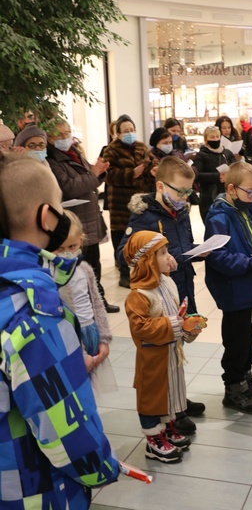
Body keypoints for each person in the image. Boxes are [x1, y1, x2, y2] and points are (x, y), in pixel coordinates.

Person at [0, 154, 119, 509]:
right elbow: (67, 432)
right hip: (32, 492)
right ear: (47, 216)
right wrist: (103, 466)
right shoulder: (35, 311)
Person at [117, 156, 207, 434]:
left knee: (177, 349)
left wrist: (196, 251)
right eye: (179, 191)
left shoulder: (179, 211)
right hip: (157, 294)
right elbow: (125, 255)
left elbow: (183, 244)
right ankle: (171, 411)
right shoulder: (144, 215)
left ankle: (178, 398)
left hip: (180, 286)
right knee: (163, 351)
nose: (184, 197)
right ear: (160, 185)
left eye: (188, 192)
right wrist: (174, 257)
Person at [123, 230, 205, 463]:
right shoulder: (139, 295)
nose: (169, 257)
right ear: (147, 260)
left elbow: (176, 311)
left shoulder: (166, 282)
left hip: (171, 353)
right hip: (153, 358)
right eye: (162, 253)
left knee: (169, 394)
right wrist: (175, 324)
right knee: (152, 398)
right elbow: (140, 327)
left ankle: (167, 428)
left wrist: (188, 326)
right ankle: (153, 439)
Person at [204, 162, 252, 414]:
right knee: (235, 341)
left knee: (248, 337)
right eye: (250, 192)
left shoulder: (246, 208)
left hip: (250, 286)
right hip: (234, 290)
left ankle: (246, 379)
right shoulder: (219, 216)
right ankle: (233, 389)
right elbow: (218, 257)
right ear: (231, 188)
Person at [46, 117, 120, 313]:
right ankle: (86, 304)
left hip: (90, 215)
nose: (64, 137)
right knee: (80, 264)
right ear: (50, 138)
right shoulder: (52, 160)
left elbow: (89, 178)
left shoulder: (74, 153)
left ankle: (99, 301)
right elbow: (70, 187)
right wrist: (94, 174)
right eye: (59, 134)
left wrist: (99, 171)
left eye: (67, 133)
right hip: (75, 219)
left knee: (94, 263)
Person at [55, 209, 113, 374]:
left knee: (92, 385)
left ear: (81, 240)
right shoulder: (50, 275)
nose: (67, 253)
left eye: (72, 246)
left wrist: (103, 338)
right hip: (70, 338)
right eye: (60, 248)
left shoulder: (85, 269)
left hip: (91, 332)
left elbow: (97, 303)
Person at [103, 115, 154, 289]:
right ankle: (124, 273)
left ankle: (143, 270)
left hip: (141, 200)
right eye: (126, 131)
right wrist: (131, 173)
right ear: (117, 134)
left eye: (132, 130)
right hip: (121, 202)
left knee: (142, 236)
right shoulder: (111, 150)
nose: (130, 133)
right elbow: (108, 174)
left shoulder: (142, 147)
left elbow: (151, 164)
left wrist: (152, 171)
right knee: (122, 237)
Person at [193, 125, 236, 223]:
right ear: (205, 140)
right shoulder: (201, 155)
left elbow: (236, 168)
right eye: (212, 137)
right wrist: (217, 177)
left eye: (217, 136)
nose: (215, 139)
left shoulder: (227, 153)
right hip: (209, 197)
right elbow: (197, 175)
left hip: (228, 195)